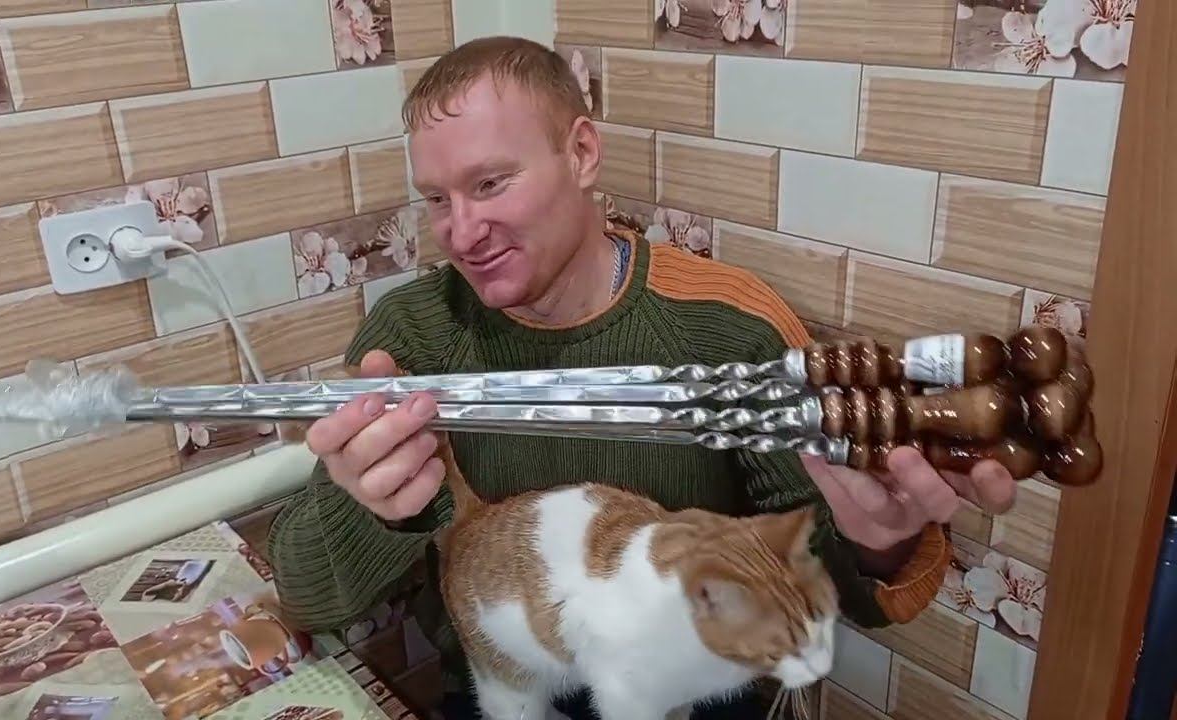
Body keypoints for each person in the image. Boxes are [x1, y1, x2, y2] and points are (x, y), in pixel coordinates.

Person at [264, 35, 1018, 719]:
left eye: (490, 184)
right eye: (437, 199)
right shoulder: (412, 337)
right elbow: (306, 596)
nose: (460, 233)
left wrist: (879, 547)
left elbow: (828, 581)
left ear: (582, 153)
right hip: (508, 689)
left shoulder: (731, 329)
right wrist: (375, 505)